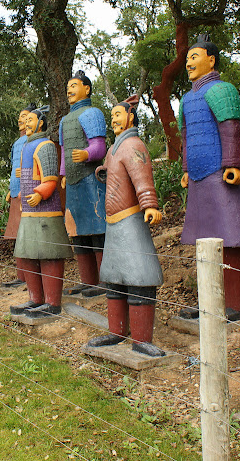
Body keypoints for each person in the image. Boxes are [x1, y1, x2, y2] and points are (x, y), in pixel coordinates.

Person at [176, 35, 240, 321]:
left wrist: (234, 163)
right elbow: (185, 137)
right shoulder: (187, 99)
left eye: (194, 57)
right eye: (187, 59)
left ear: (211, 60)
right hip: (198, 178)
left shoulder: (222, 90)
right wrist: (186, 169)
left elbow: (230, 129)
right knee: (204, 241)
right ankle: (209, 303)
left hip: (220, 175)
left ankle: (235, 305)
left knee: (232, 238)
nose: (188, 63)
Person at [86, 96, 166, 356]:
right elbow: (113, 173)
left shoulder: (133, 145)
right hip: (114, 223)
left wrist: (150, 204)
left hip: (130, 221)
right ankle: (116, 331)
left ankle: (142, 339)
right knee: (113, 279)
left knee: (139, 276)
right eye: (112, 117)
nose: (114, 120)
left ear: (131, 117)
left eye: (118, 115)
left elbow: (142, 177)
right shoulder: (113, 149)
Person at [10, 106, 72, 319]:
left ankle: (52, 302)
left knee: (49, 256)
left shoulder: (45, 145)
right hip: (29, 212)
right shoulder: (26, 146)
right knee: (27, 256)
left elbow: (51, 179)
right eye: (25, 122)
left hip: (46, 212)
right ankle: (35, 298)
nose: (26, 125)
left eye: (30, 121)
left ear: (41, 124)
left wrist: (40, 194)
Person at [59, 70, 108, 297]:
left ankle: (105, 280)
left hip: (91, 180)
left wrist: (86, 154)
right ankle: (88, 280)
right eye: (68, 86)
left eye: (74, 85)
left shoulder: (92, 113)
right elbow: (63, 153)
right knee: (77, 232)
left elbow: (99, 147)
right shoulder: (64, 121)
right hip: (73, 182)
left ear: (87, 89)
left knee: (98, 229)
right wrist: (63, 174)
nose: (69, 90)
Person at [3, 106, 32, 287]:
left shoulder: (32, 140)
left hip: (28, 192)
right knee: (16, 236)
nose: (21, 120)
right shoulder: (17, 143)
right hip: (15, 191)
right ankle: (21, 276)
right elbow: (14, 169)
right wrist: (10, 188)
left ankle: (29, 277)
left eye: (25, 116)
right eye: (20, 116)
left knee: (27, 235)